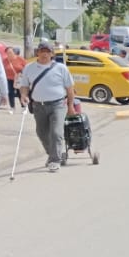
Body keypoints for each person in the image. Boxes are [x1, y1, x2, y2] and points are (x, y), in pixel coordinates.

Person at [16, 41, 77, 172]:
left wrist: (71, 106)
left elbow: (70, 89)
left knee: (56, 132)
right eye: (42, 51)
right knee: (41, 132)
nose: (44, 54)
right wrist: (23, 96)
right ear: (37, 53)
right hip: (38, 106)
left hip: (58, 105)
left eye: (47, 51)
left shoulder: (61, 68)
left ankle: (55, 160)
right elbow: (24, 86)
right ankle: (55, 154)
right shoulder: (29, 68)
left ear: (52, 54)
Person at [4, 45, 26, 112]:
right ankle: (12, 107)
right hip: (9, 79)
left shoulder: (20, 59)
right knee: (10, 93)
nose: (9, 54)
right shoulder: (5, 60)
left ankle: (23, 107)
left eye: (10, 52)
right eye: (7, 53)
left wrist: (21, 73)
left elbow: (27, 67)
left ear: (14, 52)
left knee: (20, 93)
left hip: (19, 79)